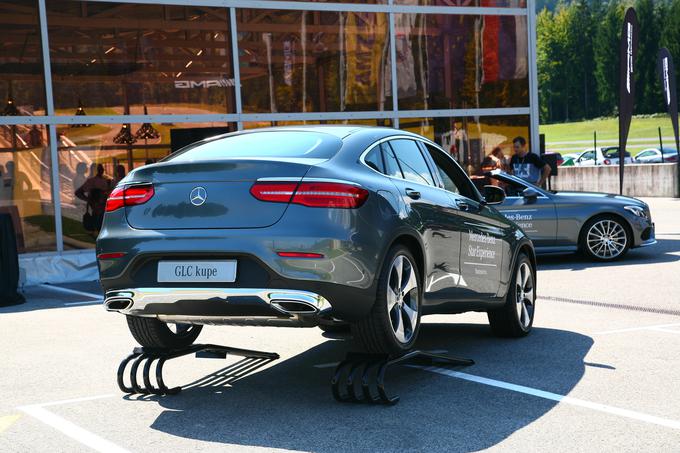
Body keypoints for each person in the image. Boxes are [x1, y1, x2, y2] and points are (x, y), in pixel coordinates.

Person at [75, 164, 111, 232]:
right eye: (99, 169)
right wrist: (89, 200)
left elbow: (78, 193)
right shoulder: (92, 181)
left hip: (100, 208)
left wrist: (89, 200)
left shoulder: (104, 181)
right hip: (97, 208)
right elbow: (78, 193)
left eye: (102, 168)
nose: (101, 170)